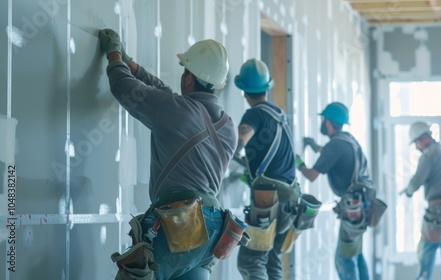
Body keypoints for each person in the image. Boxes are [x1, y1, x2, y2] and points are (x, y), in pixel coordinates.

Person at [98, 29, 240, 280]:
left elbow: (123, 87)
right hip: (211, 232)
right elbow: (164, 93)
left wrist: (114, 54)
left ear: (188, 78)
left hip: (180, 224)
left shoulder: (175, 110)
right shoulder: (229, 127)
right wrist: (133, 65)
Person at [233, 58, 299, 280]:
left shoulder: (253, 115)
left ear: (244, 92)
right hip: (290, 199)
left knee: (251, 262)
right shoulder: (279, 114)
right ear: (266, 88)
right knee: (272, 261)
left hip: (268, 200)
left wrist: (224, 150)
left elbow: (242, 139)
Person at [296, 102, 371, 280]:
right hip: (362, 204)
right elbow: (332, 154)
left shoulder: (335, 146)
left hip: (352, 206)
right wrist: (315, 147)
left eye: (323, 119)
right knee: (355, 254)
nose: (322, 123)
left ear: (328, 122)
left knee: (344, 259)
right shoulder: (348, 140)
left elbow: (312, 175)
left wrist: (299, 164)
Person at [400, 122, 441, 280]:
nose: (416, 147)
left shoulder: (429, 155)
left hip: (439, 211)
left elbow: (416, 182)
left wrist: (408, 191)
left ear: (424, 138)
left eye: (416, 142)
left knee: (428, 248)